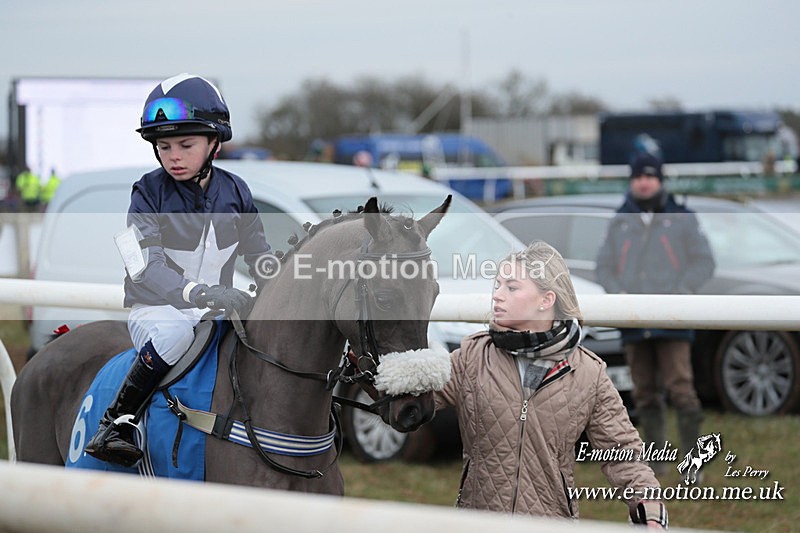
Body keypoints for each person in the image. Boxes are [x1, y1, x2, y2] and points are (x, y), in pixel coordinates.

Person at [85, 73, 272, 467]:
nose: (174, 155)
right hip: (157, 310)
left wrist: (288, 281)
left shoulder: (236, 191)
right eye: (164, 146)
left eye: (186, 145)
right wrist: (197, 294)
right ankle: (115, 423)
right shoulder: (146, 192)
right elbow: (144, 269)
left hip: (212, 309)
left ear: (214, 144)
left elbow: (260, 254)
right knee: (174, 333)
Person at [434, 241, 667, 527]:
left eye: (512, 287)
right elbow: (412, 398)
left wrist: (650, 509)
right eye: (497, 285)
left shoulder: (588, 372)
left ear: (546, 300)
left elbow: (623, 454)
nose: (497, 295)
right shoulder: (472, 355)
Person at [595, 153, 715, 474]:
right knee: (644, 394)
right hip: (633, 322)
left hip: (673, 321)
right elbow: (603, 266)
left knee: (682, 390)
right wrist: (617, 292)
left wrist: (682, 291)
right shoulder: (620, 219)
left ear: (660, 180)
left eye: (649, 176)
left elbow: (704, 262)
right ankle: (656, 464)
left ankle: (694, 463)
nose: (643, 182)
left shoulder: (682, 216)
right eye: (638, 177)